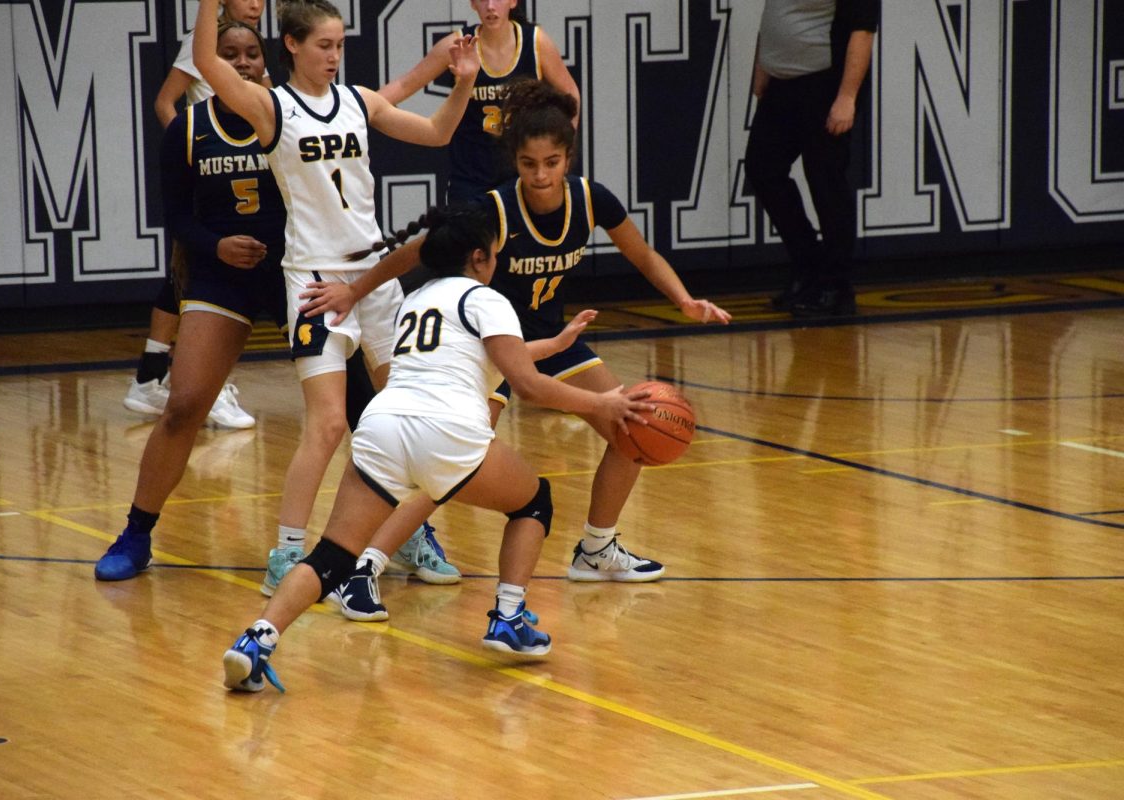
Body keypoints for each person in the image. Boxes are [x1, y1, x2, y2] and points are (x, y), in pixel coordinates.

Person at [300, 79, 731, 620]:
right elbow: (414, 252)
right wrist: (353, 289)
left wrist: (685, 299)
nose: (542, 175)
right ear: (516, 163)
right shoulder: (495, 211)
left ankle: (597, 548)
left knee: (631, 423)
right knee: (450, 467)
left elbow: (643, 255)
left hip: (552, 341)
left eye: (552, 162)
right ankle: (365, 569)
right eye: (529, 164)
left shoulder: (592, 199)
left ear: (568, 157)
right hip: (490, 350)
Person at [222, 205, 655, 692]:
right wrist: (604, 402)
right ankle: (508, 618)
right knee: (534, 502)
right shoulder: (487, 300)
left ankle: (256, 639)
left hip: (382, 427)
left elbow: (482, 354)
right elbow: (527, 385)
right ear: (478, 257)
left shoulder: (418, 299)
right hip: (446, 430)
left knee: (331, 555)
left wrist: (554, 345)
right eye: (495, 253)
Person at [131, 0, 473, 595]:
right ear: (291, 45)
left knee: (407, 419)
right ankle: (287, 552)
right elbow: (208, 61)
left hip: (375, 279)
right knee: (329, 424)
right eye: (323, 45)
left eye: (340, 45)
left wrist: (463, 82)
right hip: (315, 281)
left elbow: (439, 131)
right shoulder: (273, 108)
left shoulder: (360, 101)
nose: (334, 56)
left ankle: (407, 535)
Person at [95, 21, 288, 580]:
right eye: (229, 53)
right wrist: (217, 246)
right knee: (183, 407)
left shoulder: (286, 115)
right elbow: (176, 217)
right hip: (220, 277)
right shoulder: (185, 130)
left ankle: (407, 534)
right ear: (207, 65)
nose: (243, 62)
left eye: (252, 53)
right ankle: (135, 534)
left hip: (290, 273)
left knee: (353, 406)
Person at [124, 0, 270, 429]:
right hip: (212, 175)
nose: (255, 2)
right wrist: (188, 149)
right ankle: (201, 382)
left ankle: (154, 373)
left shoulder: (254, 50)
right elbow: (165, 101)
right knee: (193, 274)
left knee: (200, 277)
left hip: (248, 178)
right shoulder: (207, 41)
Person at [746, 0, 879, 317]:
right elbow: (775, 13)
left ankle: (837, 285)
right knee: (763, 168)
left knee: (825, 179)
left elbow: (862, 31)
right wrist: (762, 66)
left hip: (825, 84)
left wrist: (847, 97)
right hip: (782, 82)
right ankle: (809, 266)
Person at [378, 0, 579, 203]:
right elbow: (405, 84)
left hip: (520, 174)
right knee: (463, 232)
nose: (490, 6)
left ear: (513, 2)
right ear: (473, 3)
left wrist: (563, 148)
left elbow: (570, 93)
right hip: (471, 175)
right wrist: (360, 104)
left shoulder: (536, 43)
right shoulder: (459, 45)